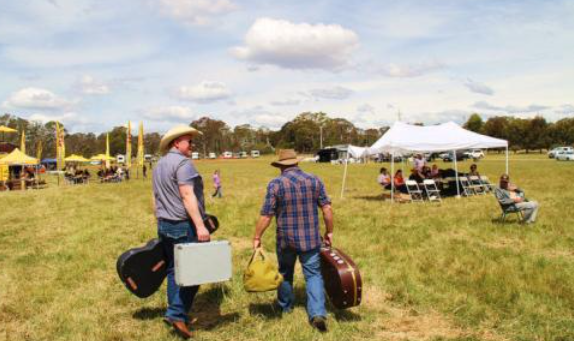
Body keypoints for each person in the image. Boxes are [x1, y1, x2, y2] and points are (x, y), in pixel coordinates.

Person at [252, 149, 334, 332]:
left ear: (281, 166)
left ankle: (285, 307)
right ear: (297, 163)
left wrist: (257, 236)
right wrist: (329, 232)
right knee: (313, 275)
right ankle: (318, 314)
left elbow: (266, 215)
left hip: (285, 240)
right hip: (311, 240)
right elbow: (327, 209)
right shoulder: (315, 180)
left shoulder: (275, 184)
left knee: (285, 273)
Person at [152, 125, 210, 339]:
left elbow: (155, 197)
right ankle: (176, 313)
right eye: (189, 141)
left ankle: (175, 313)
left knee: (173, 270)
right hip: (183, 224)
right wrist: (200, 225)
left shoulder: (159, 165)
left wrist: (158, 219)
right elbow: (187, 195)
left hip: (164, 224)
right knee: (195, 272)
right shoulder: (183, 163)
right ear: (176, 143)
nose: (192, 146)